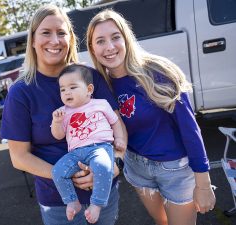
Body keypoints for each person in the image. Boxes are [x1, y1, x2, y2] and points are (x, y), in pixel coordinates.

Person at [86, 9, 216, 225]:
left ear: (126, 38)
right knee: (162, 222)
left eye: (115, 37)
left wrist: (203, 183)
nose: (109, 47)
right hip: (137, 168)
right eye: (100, 41)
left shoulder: (159, 71)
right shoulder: (100, 85)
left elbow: (190, 129)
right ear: (92, 48)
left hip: (175, 168)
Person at [0, 5, 126, 225]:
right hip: (59, 204)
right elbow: (19, 157)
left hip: (104, 194)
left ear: (70, 38)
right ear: (32, 39)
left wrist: (114, 166)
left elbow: (118, 125)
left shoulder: (90, 77)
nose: (55, 41)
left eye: (61, 33)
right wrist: (69, 177)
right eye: (46, 33)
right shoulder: (21, 92)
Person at [51, 64, 126, 223]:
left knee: (103, 166)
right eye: (62, 89)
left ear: (89, 89)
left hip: (99, 148)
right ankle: (72, 201)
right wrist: (57, 122)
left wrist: (119, 138)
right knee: (57, 171)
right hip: (75, 153)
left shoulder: (101, 104)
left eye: (72, 87)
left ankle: (96, 204)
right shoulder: (63, 112)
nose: (67, 92)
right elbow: (58, 135)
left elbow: (115, 122)